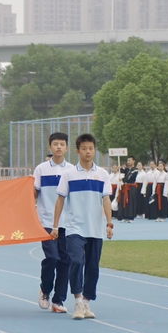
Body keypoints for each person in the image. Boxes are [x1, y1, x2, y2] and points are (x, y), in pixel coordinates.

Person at [51, 133, 113, 321]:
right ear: (77, 150)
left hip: (95, 228)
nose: (87, 151)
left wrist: (109, 224)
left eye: (91, 148)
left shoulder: (102, 174)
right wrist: (55, 226)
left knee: (92, 266)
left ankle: (86, 302)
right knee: (77, 261)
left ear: (94, 150)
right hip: (74, 228)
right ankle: (77, 300)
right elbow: (60, 200)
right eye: (84, 148)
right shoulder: (68, 174)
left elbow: (106, 199)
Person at [33, 132, 71, 313]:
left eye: (62, 144)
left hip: (67, 222)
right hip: (46, 221)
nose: (58, 147)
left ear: (67, 148)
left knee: (65, 261)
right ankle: (45, 290)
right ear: (50, 147)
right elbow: (34, 193)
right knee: (52, 258)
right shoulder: (41, 169)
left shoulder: (72, 170)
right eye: (55, 144)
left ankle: (59, 300)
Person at [118, 156, 139, 223]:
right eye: (127, 160)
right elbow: (122, 171)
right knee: (124, 201)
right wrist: (120, 168)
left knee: (130, 202)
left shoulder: (135, 170)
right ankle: (124, 216)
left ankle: (131, 217)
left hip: (131, 187)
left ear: (133, 161)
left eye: (129, 160)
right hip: (125, 187)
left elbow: (129, 178)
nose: (128, 162)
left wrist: (123, 179)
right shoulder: (127, 169)